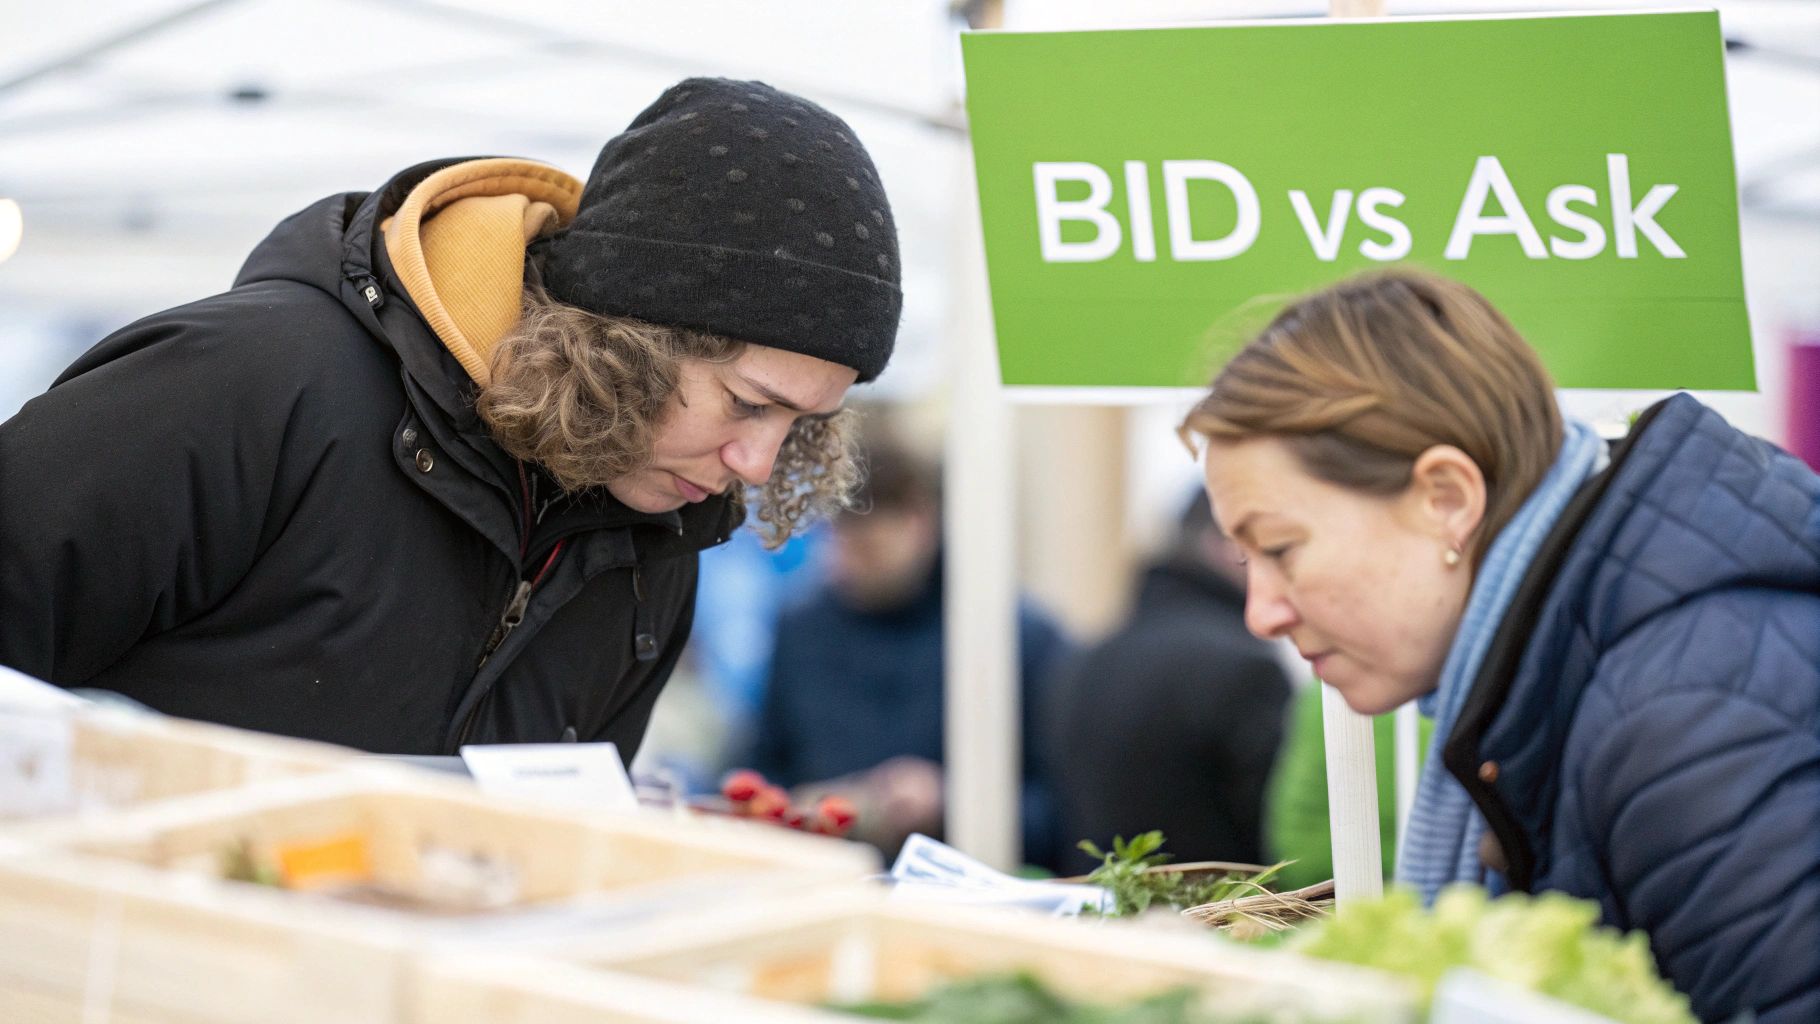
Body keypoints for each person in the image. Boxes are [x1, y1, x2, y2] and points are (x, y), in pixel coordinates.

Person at [0, 78, 903, 759]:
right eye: (749, 403)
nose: (757, 463)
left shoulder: (661, 538)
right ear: (628, 338)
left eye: (804, 425)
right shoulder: (250, 383)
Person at [1182, 268, 1818, 1022]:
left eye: (1282, 548)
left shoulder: (1684, 716)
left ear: (1446, 498)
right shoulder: (1604, 668)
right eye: (1246, 562)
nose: (1262, 614)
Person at [746, 432, 1072, 867]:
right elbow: (760, 767)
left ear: (919, 522)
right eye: (838, 542)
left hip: (967, 889)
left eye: (868, 548)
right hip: (825, 883)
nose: (847, 566)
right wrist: (795, 805)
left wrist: (950, 801)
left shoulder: (1012, 638)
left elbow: (1064, 809)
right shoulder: (803, 629)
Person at [1043, 493, 1290, 875]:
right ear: (1222, 544)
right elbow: (1280, 831)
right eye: (1260, 548)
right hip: (1221, 921)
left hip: (1095, 916)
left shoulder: (1088, 657)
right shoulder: (1243, 666)